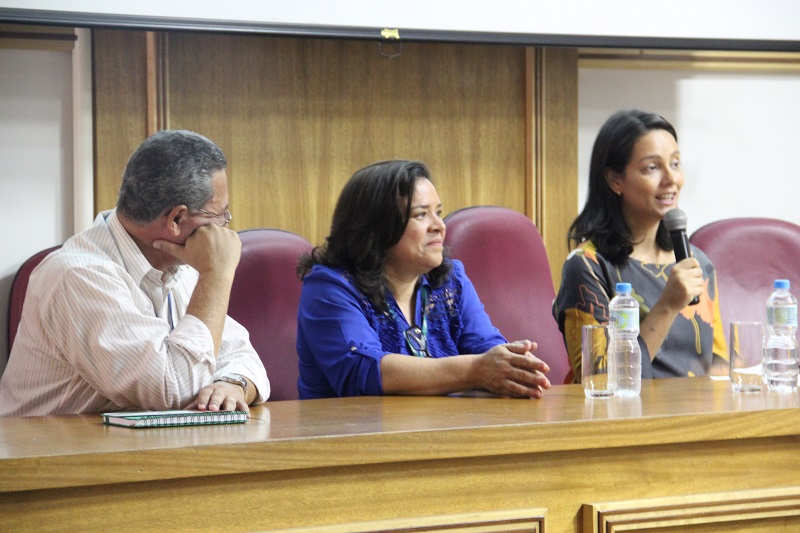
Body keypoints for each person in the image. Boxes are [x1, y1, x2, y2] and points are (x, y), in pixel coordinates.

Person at [0, 130, 269, 416]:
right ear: (177, 219)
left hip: (131, 451)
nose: (224, 230)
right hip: (51, 456)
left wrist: (232, 383)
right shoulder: (77, 276)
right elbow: (173, 390)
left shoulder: (181, 267)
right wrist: (218, 272)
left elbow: (244, 357)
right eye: (219, 216)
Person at [296, 160, 551, 399]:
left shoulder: (451, 280)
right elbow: (362, 371)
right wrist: (474, 371)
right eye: (421, 215)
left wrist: (513, 365)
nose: (439, 225)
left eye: (438, 213)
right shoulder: (330, 286)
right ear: (376, 228)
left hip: (444, 436)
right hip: (351, 441)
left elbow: (486, 349)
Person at [552, 109, 727, 381]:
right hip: (631, 421)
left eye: (676, 164)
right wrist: (668, 305)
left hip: (700, 418)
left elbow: (720, 366)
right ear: (615, 180)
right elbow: (602, 380)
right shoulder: (588, 266)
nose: (671, 179)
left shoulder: (697, 264)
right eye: (653, 167)